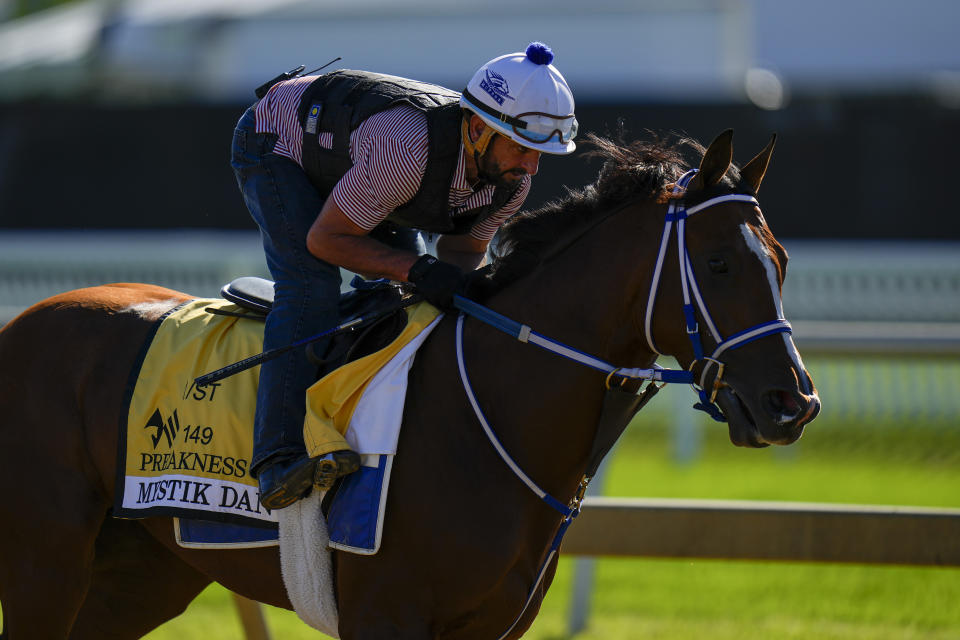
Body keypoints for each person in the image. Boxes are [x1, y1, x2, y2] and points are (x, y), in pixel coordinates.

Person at [231, 42, 578, 510]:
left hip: (363, 164)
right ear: (478, 128)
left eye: (541, 153)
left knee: (411, 300)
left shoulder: (512, 182)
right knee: (312, 287)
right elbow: (326, 240)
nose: (531, 168)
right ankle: (278, 456)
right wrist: (415, 267)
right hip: (277, 142)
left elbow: (460, 253)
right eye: (521, 148)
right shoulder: (408, 151)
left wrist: (442, 284)